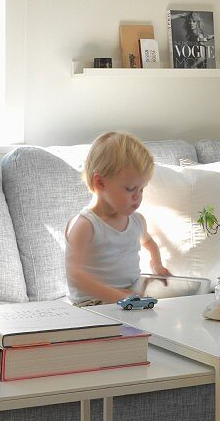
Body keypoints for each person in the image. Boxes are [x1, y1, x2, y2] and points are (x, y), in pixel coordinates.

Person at [65, 131, 170, 305]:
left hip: (128, 301)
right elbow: (75, 275)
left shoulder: (137, 221)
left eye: (141, 189)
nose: (137, 197)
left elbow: (149, 242)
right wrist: (118, 297)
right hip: (92, 305)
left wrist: (157, 265)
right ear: (100, 183)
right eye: (130, 189)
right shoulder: (85, 225)